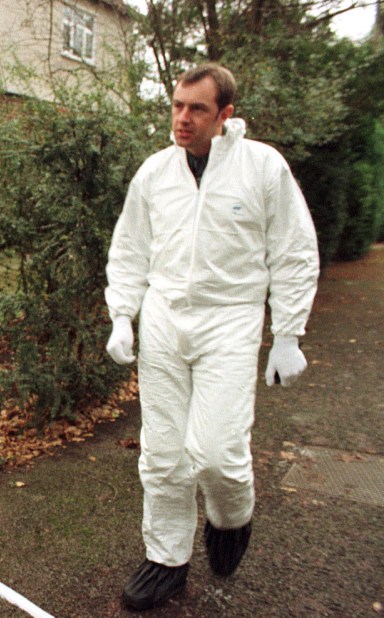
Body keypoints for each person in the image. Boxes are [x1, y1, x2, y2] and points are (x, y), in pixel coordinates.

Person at [104, 63, 319, 611]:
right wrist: (122, 314)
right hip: (165, 319)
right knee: (164, 454)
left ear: (225, 114)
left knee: (217, 453)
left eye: (197, 109)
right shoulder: (155, 173)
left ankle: (231, 515)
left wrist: (288, 332)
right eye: (177, 105)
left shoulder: (261, 168)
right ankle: (166, 560)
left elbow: (293, 250)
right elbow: (130, 247)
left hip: (231, 319)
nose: (182, 118)